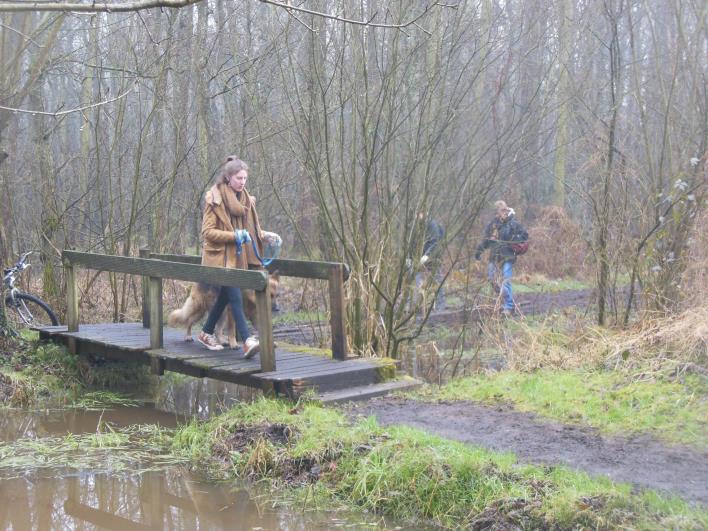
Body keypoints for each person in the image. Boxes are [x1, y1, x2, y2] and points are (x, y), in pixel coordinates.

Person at [197, 157, 280, 356]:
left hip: (239, 258)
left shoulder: (245, 200)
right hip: (219, 259)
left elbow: (249, 229)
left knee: (228, 294)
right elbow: (207, 233)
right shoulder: (214, 199)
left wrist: (265, 236)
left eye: (245, 178)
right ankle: (248, 340)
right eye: (238, 178)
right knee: (233, 291)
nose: (242, 182)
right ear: (228, 177)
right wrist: (233, 236)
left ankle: (205, 332)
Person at [475, 200, 528, 316]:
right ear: (496, 213)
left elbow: (524, 236)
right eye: (502, 210)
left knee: (505, 280)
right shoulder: (492, 225)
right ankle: (505, 299)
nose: (505, 212)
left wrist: (513, 238)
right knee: (491, 278)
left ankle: (508, 307)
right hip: (494, 256)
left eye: (506, 209)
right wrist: (478, 252)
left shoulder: (513, 223)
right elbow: (486, 241)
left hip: (508, 256)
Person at [415, 215, 446, 310]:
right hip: (420, 257)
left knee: (436, 280)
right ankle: (417, 306)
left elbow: (435, 242)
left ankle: (440, 306)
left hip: (433, 257)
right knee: (416, 278)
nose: (417, 216)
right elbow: (413, 242)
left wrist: (427, 255)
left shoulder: (432, 225)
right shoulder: (416, 225)